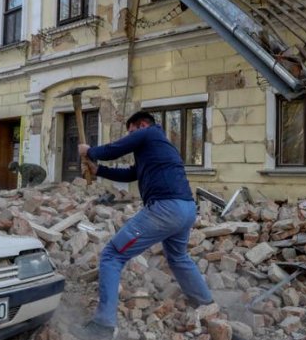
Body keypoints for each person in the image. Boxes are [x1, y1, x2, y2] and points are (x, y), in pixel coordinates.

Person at [71, 111, 212, 340]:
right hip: (186, 208)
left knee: (112, 255)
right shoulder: (160, 147)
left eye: (131, 131)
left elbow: (116, 148)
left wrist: (89, 151)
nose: (130, 136)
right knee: (178, 257)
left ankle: (103, 325)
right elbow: (131, 174)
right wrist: (100, 171)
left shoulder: (149, 133)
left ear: (142, 125)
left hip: (165, 208)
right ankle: (207, 305)